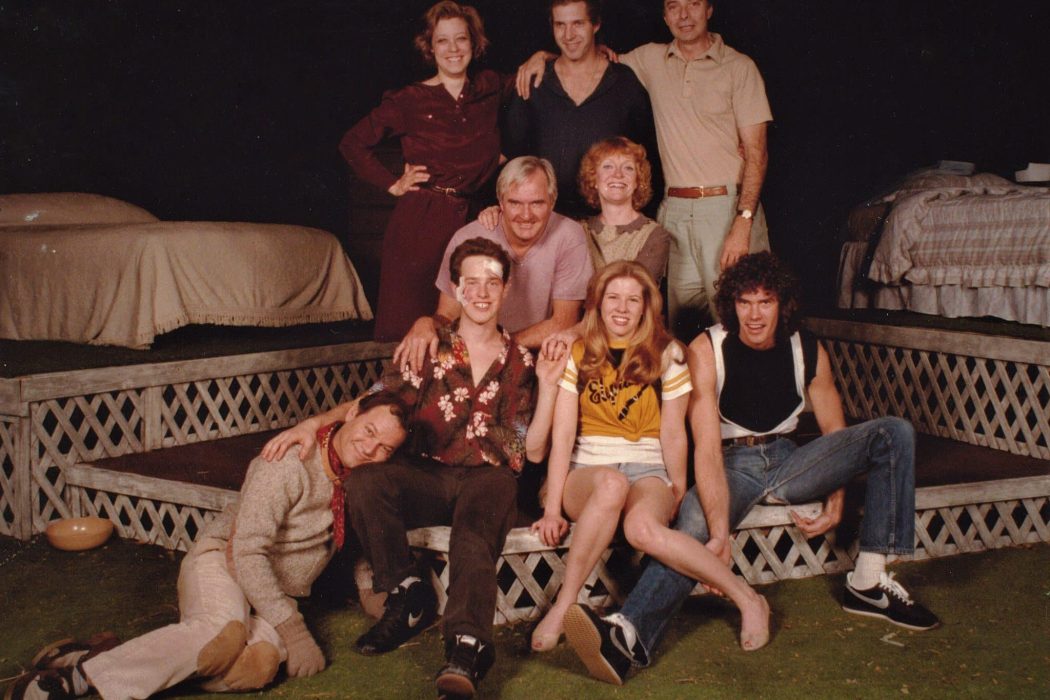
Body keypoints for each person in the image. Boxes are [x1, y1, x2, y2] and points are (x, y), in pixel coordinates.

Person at [563, 252, 940, 686]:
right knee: (692, 531)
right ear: (732, 305)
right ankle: (628, 634)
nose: (755, 314)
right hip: (730, 462)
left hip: (790, 460)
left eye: (765, 302)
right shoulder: (707, 348)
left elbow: (836, 434)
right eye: (744, 302)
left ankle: (869, 580)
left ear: (783, 304)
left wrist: (836, 497)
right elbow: (706, 448)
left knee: (892, 432)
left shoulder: (808, 347)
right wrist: (720, 531)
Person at [262, 237, 564, 699]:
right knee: (367, 481)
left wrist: (549, 387)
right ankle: (407, 592)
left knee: (474, 535)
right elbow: (373, 401)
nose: (482, 293)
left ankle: (466, 649)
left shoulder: (521, 362)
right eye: (471, 282)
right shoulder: (427, 346)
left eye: (492, 282)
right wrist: (312, 424)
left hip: (489, 477)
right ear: (457, 289)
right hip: (427, 473)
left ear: (506, 290)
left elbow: (531, 449)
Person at [9, 393, 410, 700]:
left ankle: (101, 655)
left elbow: (352, 533)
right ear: (351, 414)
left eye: (385, 448)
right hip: (227, 560)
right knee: (222, 633)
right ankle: (77, 677)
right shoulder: (288, 463)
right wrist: (293, 629)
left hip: (274, 591)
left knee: (258, 665)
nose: (370, 448)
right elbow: (247, 551)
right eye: (369, 431)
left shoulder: (360, 477)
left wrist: (368, 588)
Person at [528, 260, 770, 661]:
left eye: (632, 300)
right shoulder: (578, 352)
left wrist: (676, 486)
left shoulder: (668, 353)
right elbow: (564, 436)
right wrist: (552, 509)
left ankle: (747, 599)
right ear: (598, 303)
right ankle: (564, 605)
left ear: (646, 307)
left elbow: (673, 432)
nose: (622, 308)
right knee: (611, 485)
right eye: (613, 298)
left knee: (642, 528)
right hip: (586, 474)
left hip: (647, 470)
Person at [519, 0, 773, 338]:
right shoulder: (650, 59)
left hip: (726, 209)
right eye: (674, 6)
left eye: (693, 4)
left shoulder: (739, 67)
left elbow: (757, 153)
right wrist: (543, 56)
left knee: (744, 318)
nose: (684, 15)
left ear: (709, 9)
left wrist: (743, 221)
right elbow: (582, 53)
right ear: (665, 15)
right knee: (684, 329)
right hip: (676, 211)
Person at [339, 1, 504, 341]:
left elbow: (542, 74)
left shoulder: (490, 88)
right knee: (412, 330)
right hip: (421, 224)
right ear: (430, 47)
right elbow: (352, 143)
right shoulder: (409, 99)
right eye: (442, 40)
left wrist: (543, 57)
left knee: (464, 330)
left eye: (461, 38)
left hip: (472, 218)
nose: (453, 49)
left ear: (474, 43)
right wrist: (392, 184)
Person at [394, 155, 593, 372]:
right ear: (500, 201)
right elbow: (448, 314)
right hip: (474, 357)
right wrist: (425, 323)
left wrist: (497, 349)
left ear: (552, 201)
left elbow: (563, 322)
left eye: (537, 203)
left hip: (542, 358)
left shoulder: (569, 235)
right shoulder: (468, 237)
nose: (526, 215)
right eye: (515, 203)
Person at [504, 0, 657, 218]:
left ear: (596, 24)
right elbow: (512, 159)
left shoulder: (625, 84)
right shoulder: (535, 82)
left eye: (578, 23)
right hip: (545, 223)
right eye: (560, 25)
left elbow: (648, 163)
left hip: (610, 223)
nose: (568, 35)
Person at [576, 136, 669, 283]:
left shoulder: (655, 235)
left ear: (638, 181)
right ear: (594, 179)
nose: (618, 174)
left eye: (628, 168)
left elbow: (637, 290)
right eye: (608, 166)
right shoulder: (577, 231)